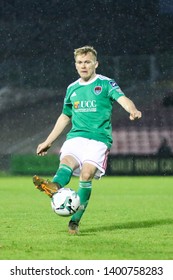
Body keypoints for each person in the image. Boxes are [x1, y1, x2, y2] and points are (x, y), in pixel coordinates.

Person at [33, 45, 142, 234]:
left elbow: (123, 99)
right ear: (75, 65)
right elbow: (65, 116)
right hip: (76, 137)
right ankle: (54, 186)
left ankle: (74, 222)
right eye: (80, 62)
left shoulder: (106, 83)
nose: (83, 66)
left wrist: (132, 110)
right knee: (66, 163)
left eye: (87, 62)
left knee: (85, 175)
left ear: (95, 64)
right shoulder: (72, 88)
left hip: (99, 140)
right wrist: (48, 141)